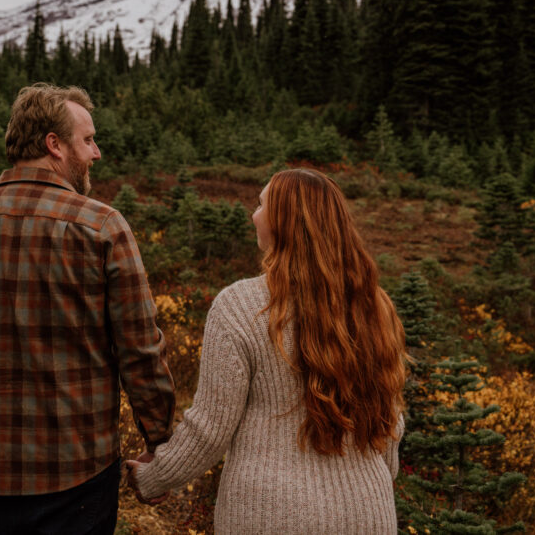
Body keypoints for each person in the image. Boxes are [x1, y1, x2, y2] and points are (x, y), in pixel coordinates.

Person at [0, 83, 175, 534]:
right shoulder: (101, 227)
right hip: (76, 476)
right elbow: (139, 350)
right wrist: (161, 444)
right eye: (88, 140)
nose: (96, 153)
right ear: (53, 145)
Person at [126, 168, 407, 534]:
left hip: (270, 515)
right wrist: (364, 482)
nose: (253, 214)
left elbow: (211, 429)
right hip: (369, 513)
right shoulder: (374, 306)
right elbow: (390, 422)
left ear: (283, 222)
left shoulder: (240, 306)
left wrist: (154, 477)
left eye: (261, 205)